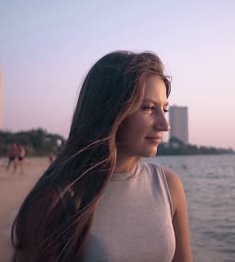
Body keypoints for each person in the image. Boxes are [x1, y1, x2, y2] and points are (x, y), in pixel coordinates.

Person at [11, 51, 192, 262]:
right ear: (110, 111)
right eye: (149, 108)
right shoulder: (58, 200)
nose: (164, 125)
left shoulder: (168, 186)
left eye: (165, 109)